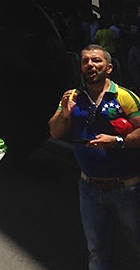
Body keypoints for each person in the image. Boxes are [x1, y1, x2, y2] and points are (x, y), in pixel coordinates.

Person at [49, 44, 140, 270]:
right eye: (85, 61)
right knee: (97, 250)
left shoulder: (124, 97)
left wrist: (118, 141)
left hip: (127, 190)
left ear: (109, 68)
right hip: (89, 189)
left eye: (96, 61)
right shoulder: (73, 97)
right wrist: (65, 112)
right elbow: (55, 131)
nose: (90, 65)